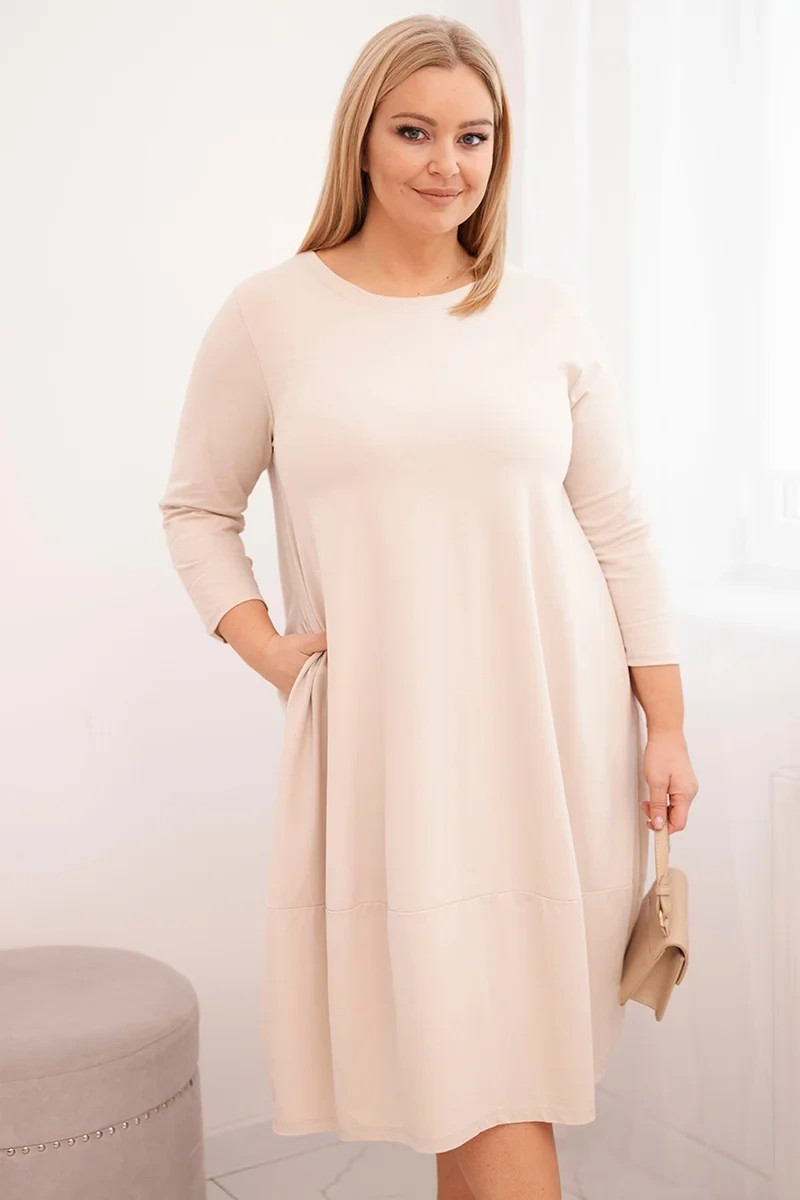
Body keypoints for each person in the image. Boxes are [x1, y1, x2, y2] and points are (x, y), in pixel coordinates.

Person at [158, 14, 699, 1200]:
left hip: (552, 734)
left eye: (473, 136)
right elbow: (196, 508)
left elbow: (615, 527)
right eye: (413, 132)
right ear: (360, 138)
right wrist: (272, 653)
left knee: (496, 1074)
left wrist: (662, 722)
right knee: (472, 1069)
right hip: (390, 747)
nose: (446, 164)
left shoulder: (540, 314)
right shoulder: (272, 315)